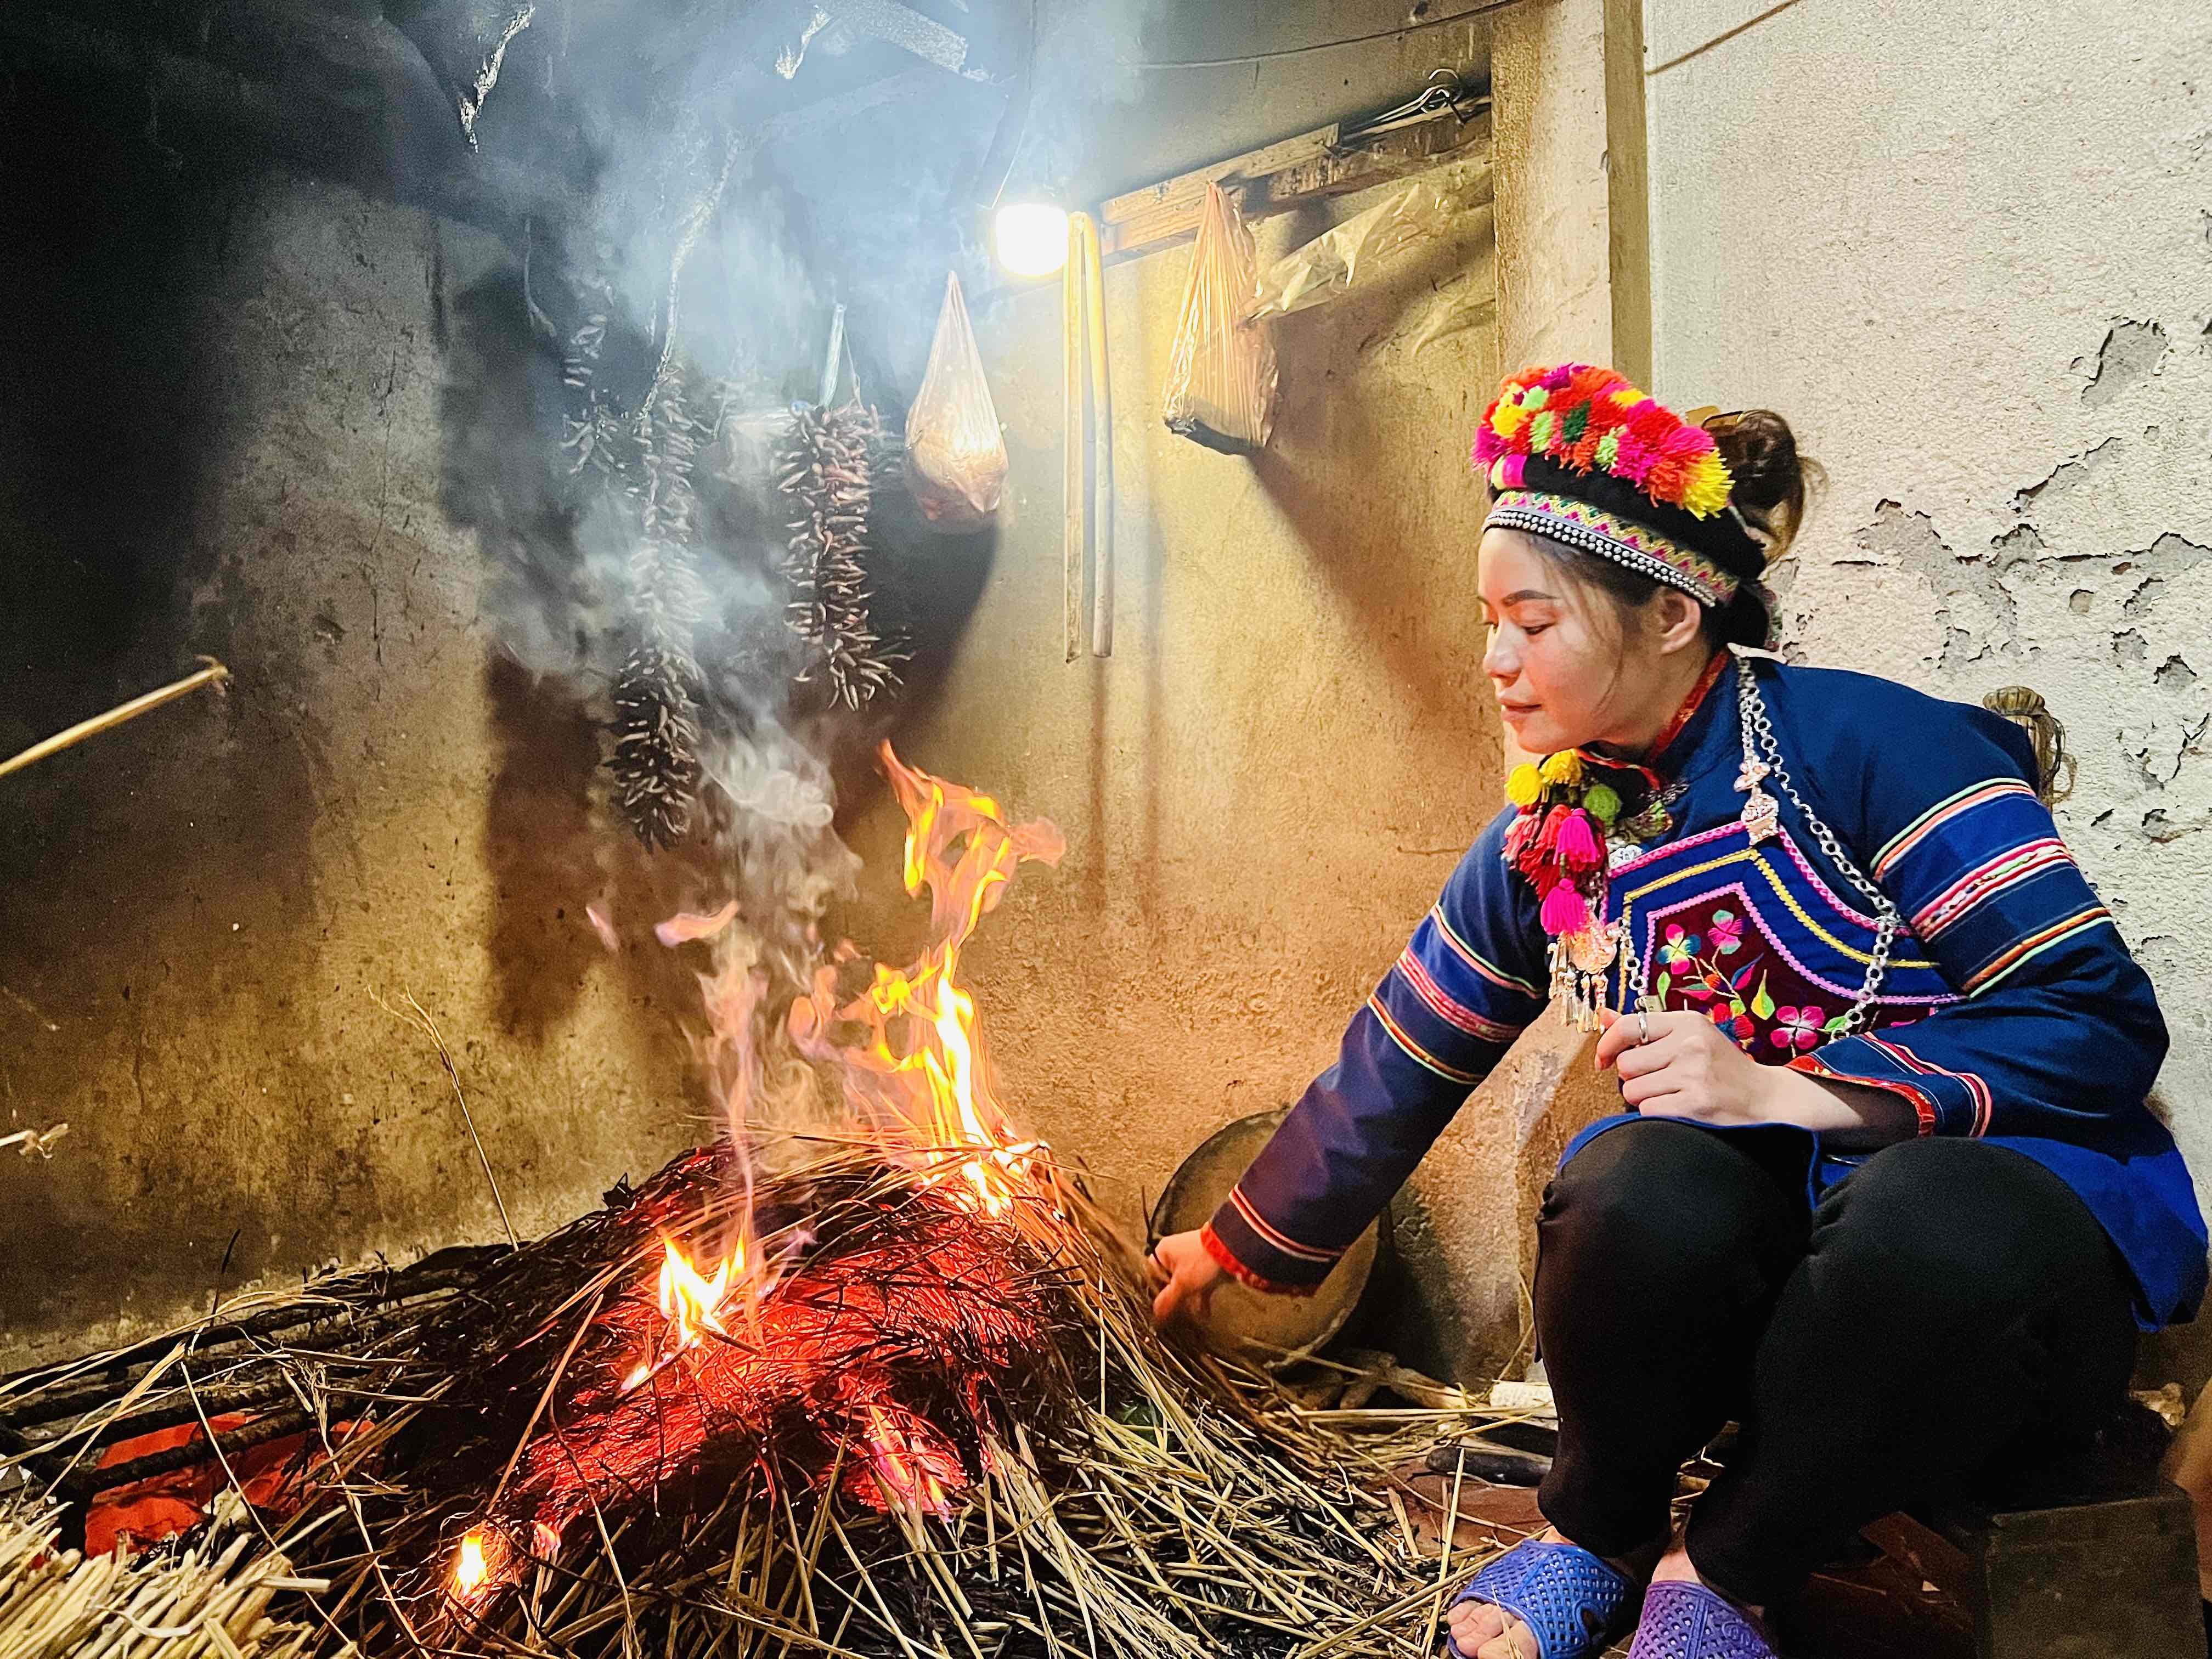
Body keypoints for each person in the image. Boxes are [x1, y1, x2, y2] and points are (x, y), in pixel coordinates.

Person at [1148, 364, 2207, 1659]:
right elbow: (1405, 1053)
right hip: (1799, 1288)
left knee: (1925, 1221)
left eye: (1532, 623)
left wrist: (1796, 1091)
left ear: (1668, 611)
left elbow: (2096, 1022)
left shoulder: (1874, 746)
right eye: (1487, 621)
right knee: (1631, 1188)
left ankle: (1728, 1567)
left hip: (1988, 1272)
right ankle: (1597, 1527)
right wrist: (1238, 1247)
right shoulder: (1554, 831)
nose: (1494, 660)